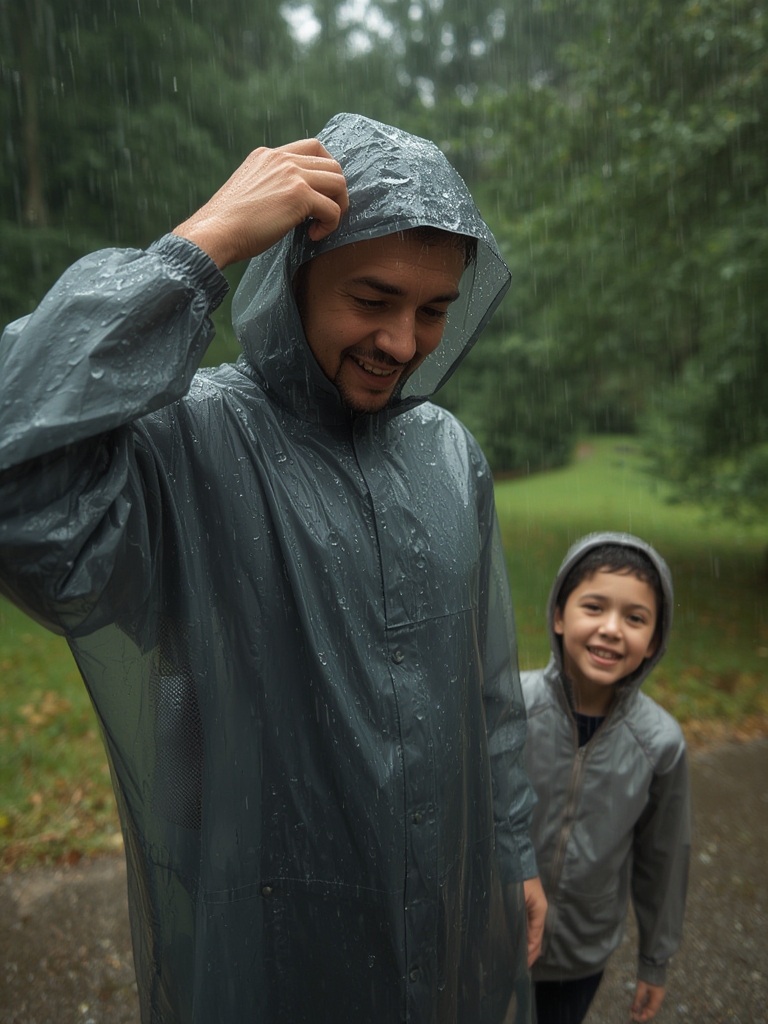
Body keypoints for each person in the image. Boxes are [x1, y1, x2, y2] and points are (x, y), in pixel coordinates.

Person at [0, 113, 546, 1023]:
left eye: (434, 311)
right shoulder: (190, 440)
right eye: (371, 300)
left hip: (442, 915)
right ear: (291, 276)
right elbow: (17, 480)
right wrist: (195, 250)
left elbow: (486, 691)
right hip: (270, 936)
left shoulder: (449, 455)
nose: (404, 344)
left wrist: (515, 852)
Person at [521, 532, 691, 1024]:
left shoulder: (660, 743)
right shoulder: (510, 709)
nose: (612, 629)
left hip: (579, 959)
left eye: (635, 618)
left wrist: (654, 962)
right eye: (594, 607)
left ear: (654, 640)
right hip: (491, 941)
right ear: (559, 613)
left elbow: (665, 859)